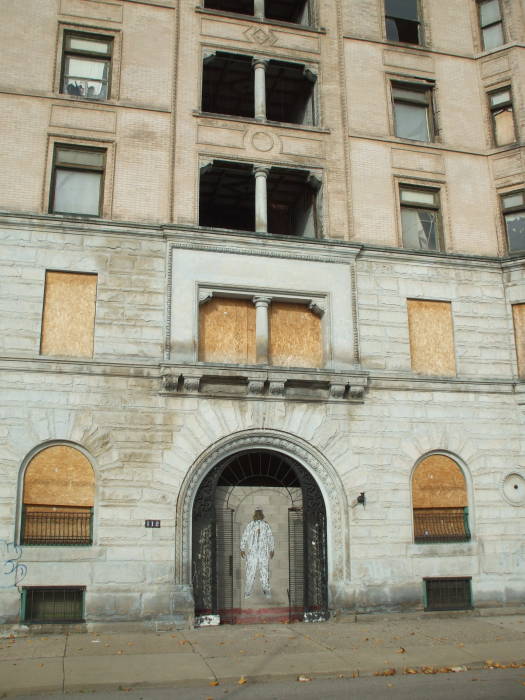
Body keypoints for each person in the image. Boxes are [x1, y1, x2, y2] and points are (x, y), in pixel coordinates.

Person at [240, 508, 274, 598]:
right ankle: (247, 593)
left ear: (262, 514)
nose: (258, 515)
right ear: (255, 514)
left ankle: (267, 592)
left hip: (263, 552)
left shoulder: (266, 525)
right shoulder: (250, 525)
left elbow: (270, 537)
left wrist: (272, 549)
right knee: (250, 572)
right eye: (257, 513)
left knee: (264, 573)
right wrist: (242, 548)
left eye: (260, 513)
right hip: (252, 553)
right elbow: (245, 536)